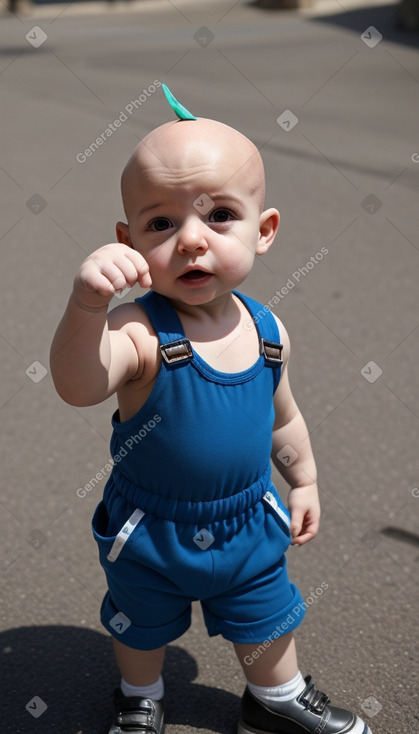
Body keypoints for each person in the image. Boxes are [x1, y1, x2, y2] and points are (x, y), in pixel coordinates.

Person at [50, 88, 372, 734]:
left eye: (218, 215)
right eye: (161, 223)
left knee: (267, 615)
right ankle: (139, 697)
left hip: (247, 518)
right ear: (128, 240)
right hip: (151, 527)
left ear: (265, 230)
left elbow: (281, 415)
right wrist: (86, 310)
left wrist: (302, 477)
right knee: (140, 623)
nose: (191, 241)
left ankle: (274, 699)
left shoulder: (267, 330)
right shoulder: (140, 332)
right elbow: (78, 385)